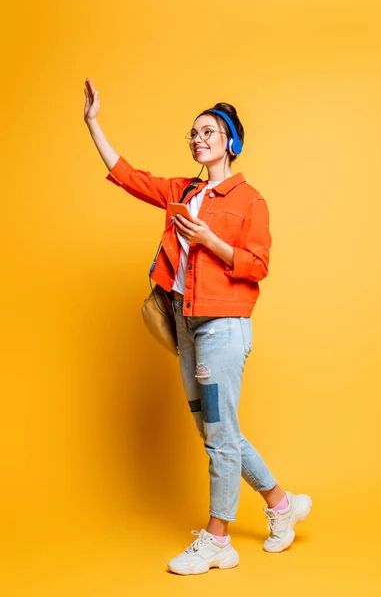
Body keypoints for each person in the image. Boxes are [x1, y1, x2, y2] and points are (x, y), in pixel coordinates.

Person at [83, 77, 312, 575]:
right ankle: (281, 505)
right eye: (192, 133)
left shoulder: (249, 200)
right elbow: (128, 175)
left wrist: (209, 240)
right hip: (187, 326)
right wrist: (93, 123)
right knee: (217, 429)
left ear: (229, 141)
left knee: (218, 435)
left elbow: (256, 265)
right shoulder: (182, 192)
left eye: (207, 131)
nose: (197, 139)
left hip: (223, 328)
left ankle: (218, 540)